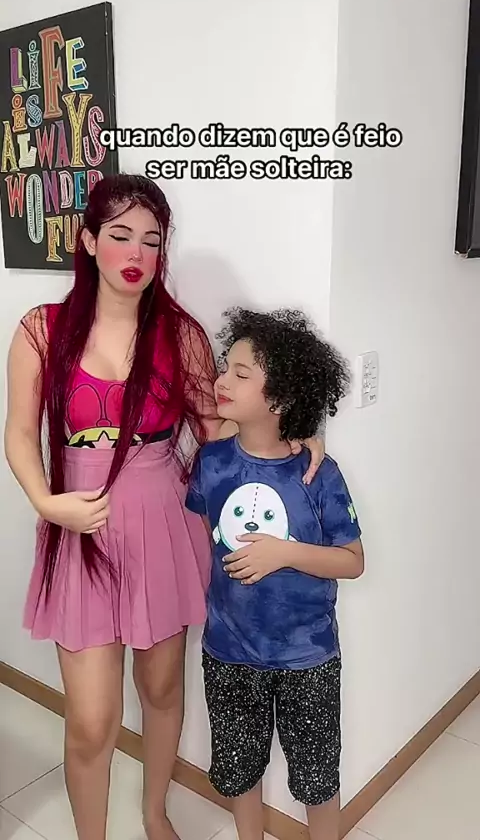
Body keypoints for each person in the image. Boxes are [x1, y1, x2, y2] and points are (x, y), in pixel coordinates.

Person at [3, 174, 325, 840]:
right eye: (120, 235)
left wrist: (290, 432)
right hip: (80, 529)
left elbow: (216, 432)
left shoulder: (180, 335)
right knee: (91, 722)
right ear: (88, 241)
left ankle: (154, 813)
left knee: (161, 691)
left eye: (151, 240)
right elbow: (19, 432)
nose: (136, 253)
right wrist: (45, 502)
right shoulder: (41, 330)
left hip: (162, 525)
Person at [185, 307, 364, 840]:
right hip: (228, 650)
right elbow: (209, 538)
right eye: (226, 368)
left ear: (281, 399)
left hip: (307, 657)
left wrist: (284, 553)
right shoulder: (212, 462)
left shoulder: (318, 473)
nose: (222, 381)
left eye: (241, 375)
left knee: (316, 777)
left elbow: (352, 560)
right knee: (240, 772)